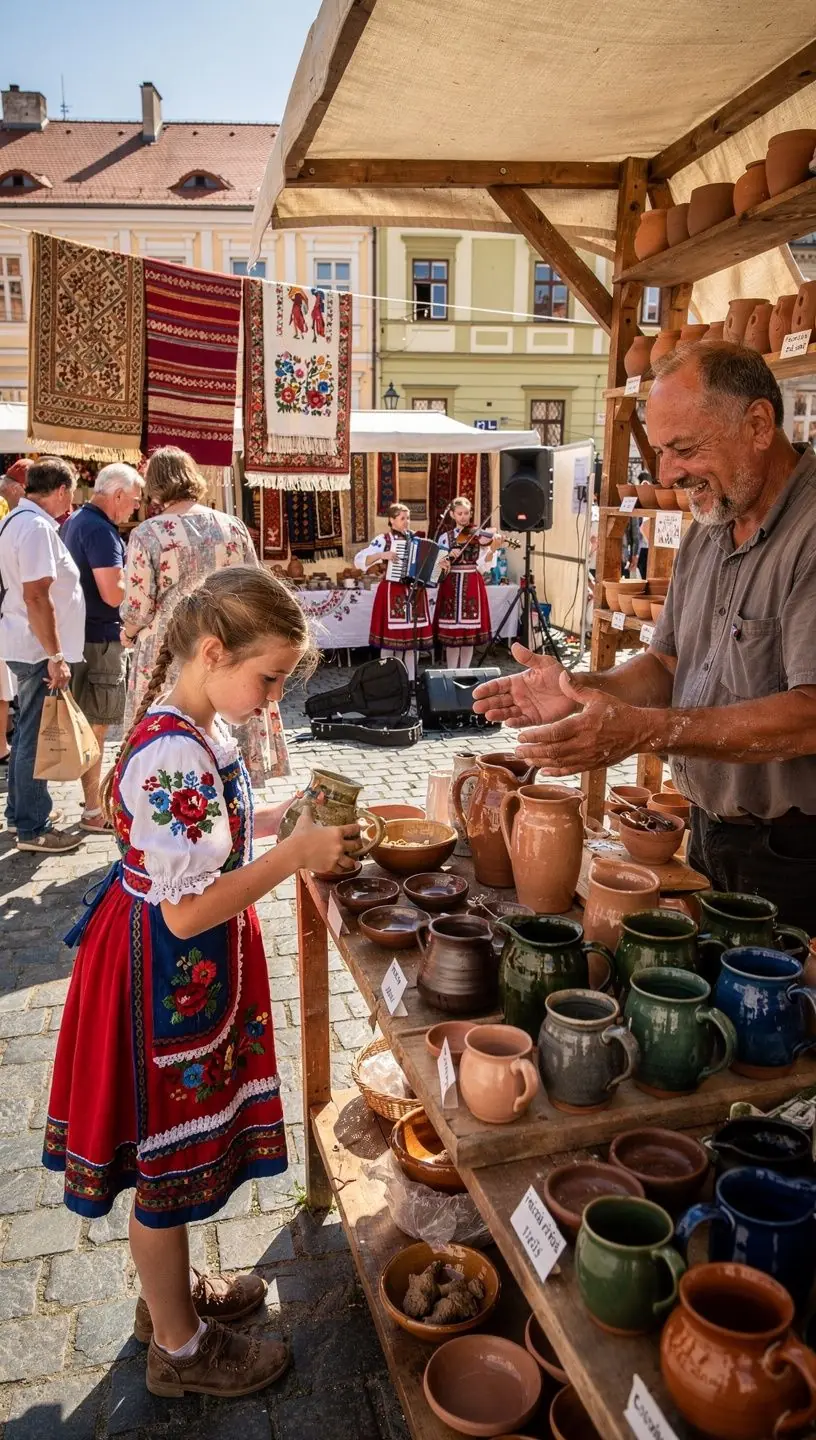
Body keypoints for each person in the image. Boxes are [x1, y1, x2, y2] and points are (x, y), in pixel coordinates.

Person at [44, 566, 362, 1398]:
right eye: (268, 679)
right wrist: (292, 857)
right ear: (214, 652)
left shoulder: (195, 727)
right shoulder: (172, 749)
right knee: (162, 1155)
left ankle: (171, 1300)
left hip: (174, 970)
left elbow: (207, 836)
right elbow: (185, 912)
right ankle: (178, 1354)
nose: (271, 698)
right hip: (164, 969)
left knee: (175, 1143)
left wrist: (274, 822)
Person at [472, 341, 816, 932]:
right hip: (711, 832)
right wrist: (584, 687)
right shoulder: (712, 526)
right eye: (659, 452)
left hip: (798, 853)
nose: (668, 474)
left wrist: (649, 732)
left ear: (759, 424)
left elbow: (811, 714)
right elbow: (665, 663)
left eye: (683, 449)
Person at [121, 447, 289, 786]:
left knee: (173, 734)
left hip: (171, 650)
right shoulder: (232, 527)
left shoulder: (148, 534)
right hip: (232, 641)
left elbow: (138, 607)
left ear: (155, 485)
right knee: (232, 717)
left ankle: (181, 800)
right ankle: (234, 794)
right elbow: (255, 586)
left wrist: (128, 632)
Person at [0, 456, 85, 853]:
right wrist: (55, 654)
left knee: (28, 733)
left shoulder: (21, 521)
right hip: (36, 647)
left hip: (28, 641)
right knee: (34, 736)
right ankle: (33, 829)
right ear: (62, 490)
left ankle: (21, 816)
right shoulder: (34, 527)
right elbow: (36, 595)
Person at [62, 463, 144, 832]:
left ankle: (91, 803)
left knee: (90, 724)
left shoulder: (77, 521)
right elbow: (113, 593)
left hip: (82, 636)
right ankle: (94, 810)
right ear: (117, 495)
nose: (134, 509)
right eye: (134, 502)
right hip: (99, 639)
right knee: (96, 725)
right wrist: (137, 585)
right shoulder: (100, 530)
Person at [354, 502, 433, 680]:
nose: (407, 522)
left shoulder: (416, 539)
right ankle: (388, 680)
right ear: (391, 520)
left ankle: (410, 680)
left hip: (414, 593)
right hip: (392, 592)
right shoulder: (383, 540)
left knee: (411, 642)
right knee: (391, 641)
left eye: (408, 518)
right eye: (402, 518)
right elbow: (359, 561)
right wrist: (382, 555)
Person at [435, 496, 501, 669]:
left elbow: (483, 566)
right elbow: (437, 568)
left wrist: (492, 550)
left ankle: (464, 671)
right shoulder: (444, 538)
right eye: (459, 513)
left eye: (466, 513)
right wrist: (446, 559)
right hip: (451, 584)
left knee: (468, 635)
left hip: (472, 583)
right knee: (452, 635)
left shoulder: (478, 535)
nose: (463, 517)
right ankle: (450, 671)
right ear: (452, 514)